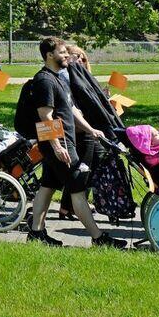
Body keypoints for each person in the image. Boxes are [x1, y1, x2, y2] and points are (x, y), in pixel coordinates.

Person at [16, 37, 126, 249]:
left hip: (63, 141)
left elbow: (71, 109)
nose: (67, 55)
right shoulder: (44, 81)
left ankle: (36, 233)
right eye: (62, 52)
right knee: (77, 188)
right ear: (49, 55)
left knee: (47, 186)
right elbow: (45, 117)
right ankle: (98, 238)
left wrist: (90, 129)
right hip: (59, 143)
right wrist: (57, 146)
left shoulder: (57, 78)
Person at [58, 45, 122, 219]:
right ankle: (70, 206)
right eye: (76, 56)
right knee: (83, 169)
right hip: (80, 130)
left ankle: (74, 205)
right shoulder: (66, 77)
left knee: (90, 167)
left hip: (91, 129)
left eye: (83, 58)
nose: (80, 60)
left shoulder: (84, 77)